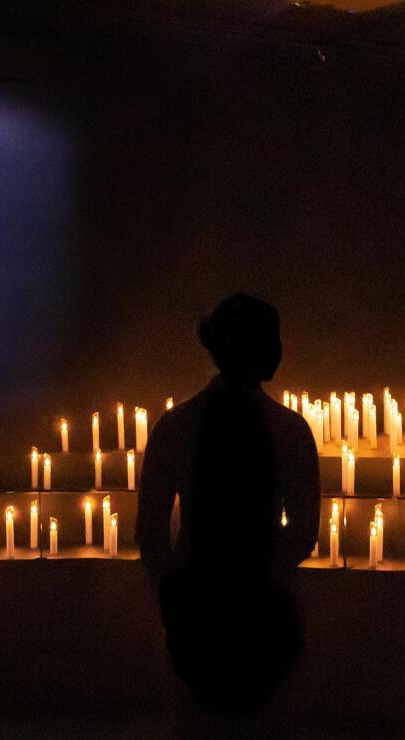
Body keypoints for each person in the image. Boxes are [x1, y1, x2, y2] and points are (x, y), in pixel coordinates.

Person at [136, 293, 321, 732]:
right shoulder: (291, 431)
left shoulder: (175, 426)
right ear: (269, 352)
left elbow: (150, 532)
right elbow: (303, 530)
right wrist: (263, 573)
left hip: (194, 607)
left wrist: (172, 593)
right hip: (264, 613)